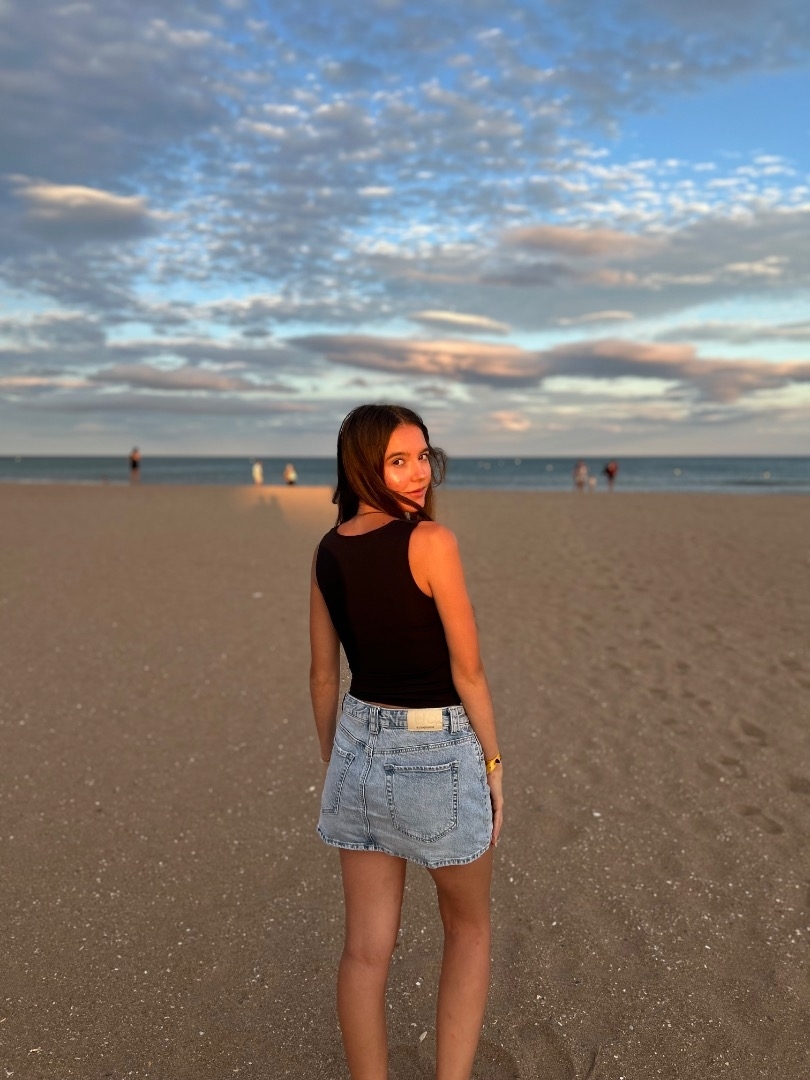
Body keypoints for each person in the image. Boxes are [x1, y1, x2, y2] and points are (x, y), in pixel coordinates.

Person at [309, 403, 504, 1080]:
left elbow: (323, 676)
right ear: (363, 466)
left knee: (366, 952)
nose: (419, 473)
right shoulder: (432, 542)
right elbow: (469, 671)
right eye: (398, 461)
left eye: (423, 456)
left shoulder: (328, 550)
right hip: (435, 754)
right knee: (468, 928)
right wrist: (494, 762)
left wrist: (340, 759)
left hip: (356, 748)